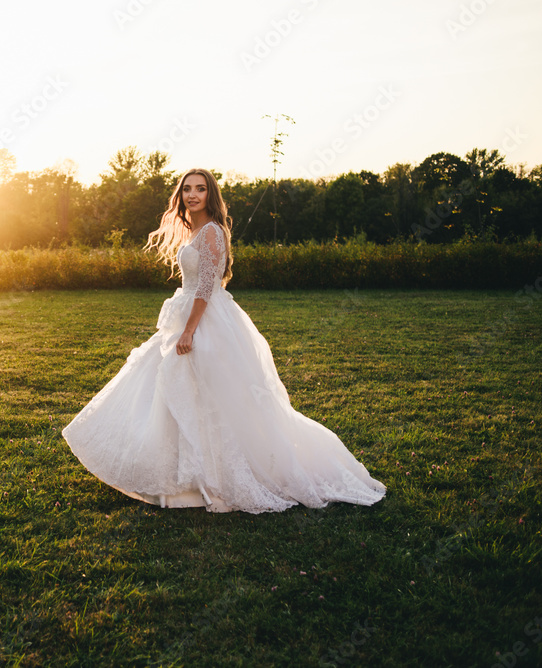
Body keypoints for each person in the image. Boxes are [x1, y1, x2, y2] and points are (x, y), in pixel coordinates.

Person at [61, 168, 386, 513]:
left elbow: (205, 286)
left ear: (210, 195)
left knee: (207, 395)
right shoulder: (196, 231)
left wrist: (189, 330)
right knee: (177, 391)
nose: (192, 195)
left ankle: (209, 478)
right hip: (190, 313)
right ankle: (182, 479)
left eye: (200, 189)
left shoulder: (212, 231)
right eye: (187, 189)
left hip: (204, 319)